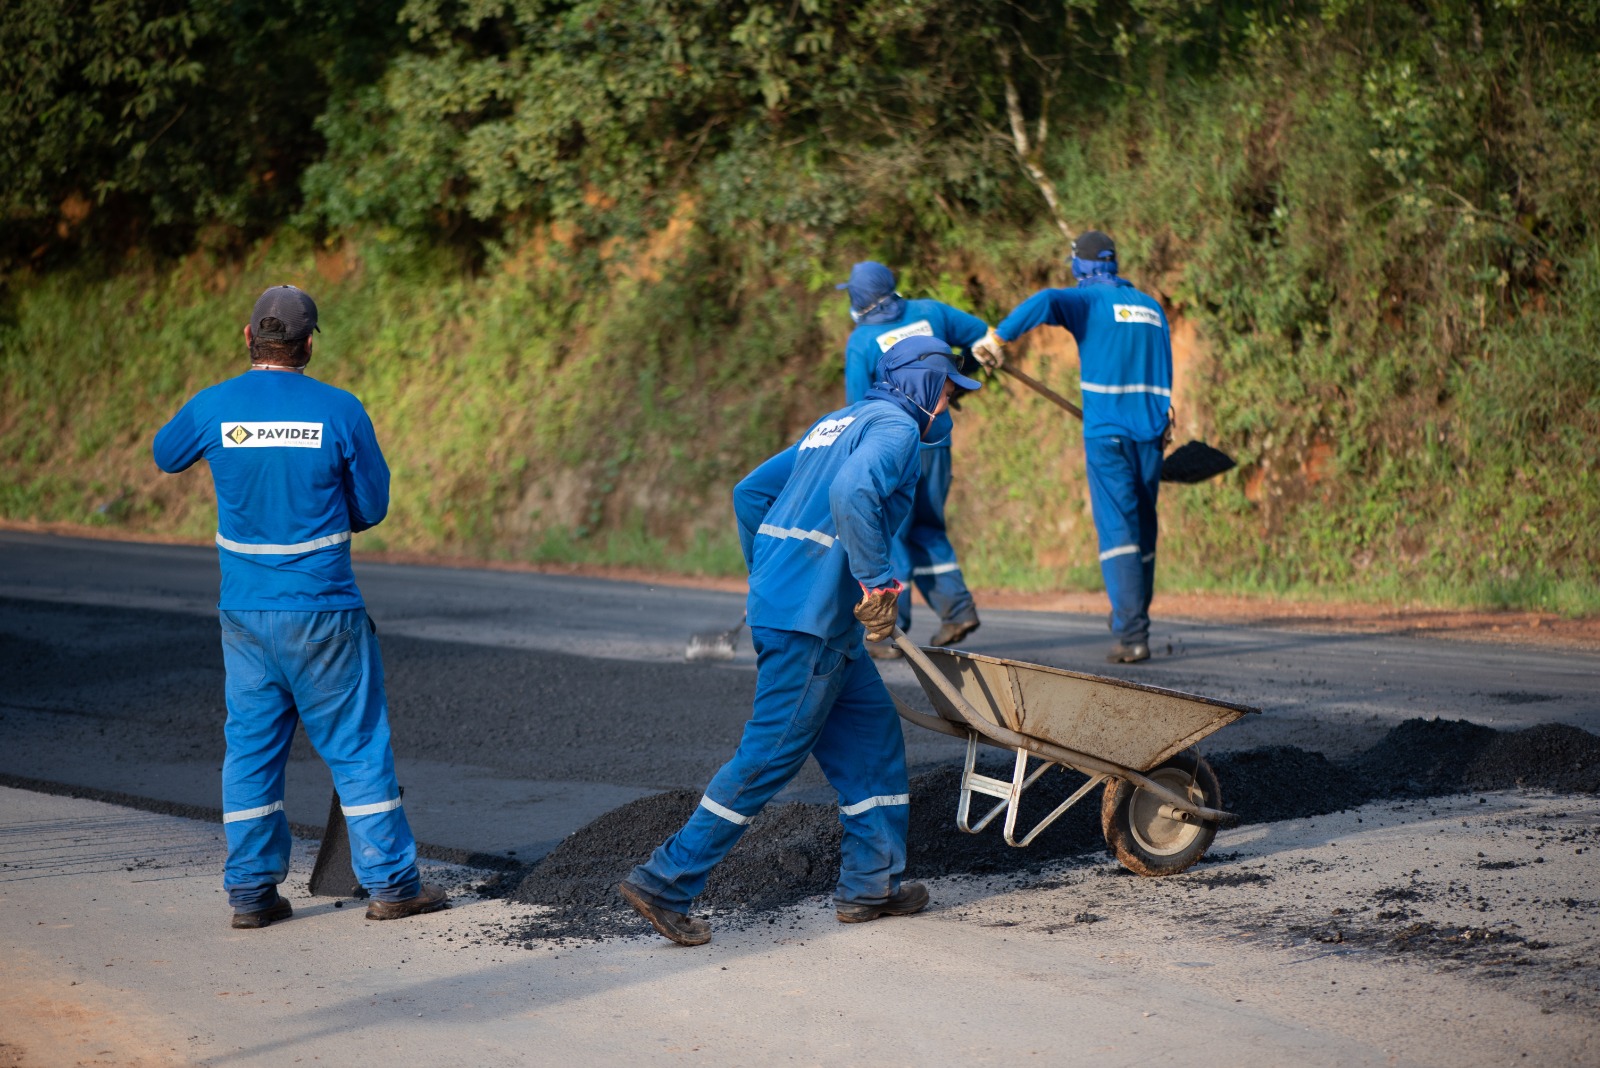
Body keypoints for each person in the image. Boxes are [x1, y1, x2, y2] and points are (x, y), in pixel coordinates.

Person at [618, 335, 983, 946]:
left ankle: (872, 885)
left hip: (813, 618)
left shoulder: (837, 422)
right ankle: (665, 880)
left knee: (872, 742)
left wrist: (768, 571)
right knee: (769, 756)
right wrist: (875, 585)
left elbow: (750, 494)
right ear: (921, 383)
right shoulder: (894, 430)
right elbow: (851, 496)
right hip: (811, 623)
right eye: (948, 391)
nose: (950, 406)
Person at [153, 285, 447, 928]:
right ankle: (393, 887)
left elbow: (165, 454)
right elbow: (371, 507)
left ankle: (252, 896)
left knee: (252, 754)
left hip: (247, 618)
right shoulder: (339, 410)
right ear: (308, 345)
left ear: (248, 337)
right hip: (325, 614)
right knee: (358, 748)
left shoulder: (214, 406)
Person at [972, 231, 1172, 664]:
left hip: (1108, 434)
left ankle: (1132, 632)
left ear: (1081, 265)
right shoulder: (1152, 308)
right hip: (1152, 433)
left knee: (1119, 529)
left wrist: (998, 339)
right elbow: (1164, 370)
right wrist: (1165, 415)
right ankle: (1132, 619)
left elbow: (1046, 300)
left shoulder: (1089, 302)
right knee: (1144, 526)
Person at [837, 261, 989, 660]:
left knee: (893, 531)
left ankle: (890, 632)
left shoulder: (863, 340)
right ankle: (956, 610)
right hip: (936, 437)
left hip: (893, 447)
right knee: (928, 525)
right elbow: (981, 337)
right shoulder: (930, 312)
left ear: (858, 298)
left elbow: (860, 407)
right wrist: (956, 385)